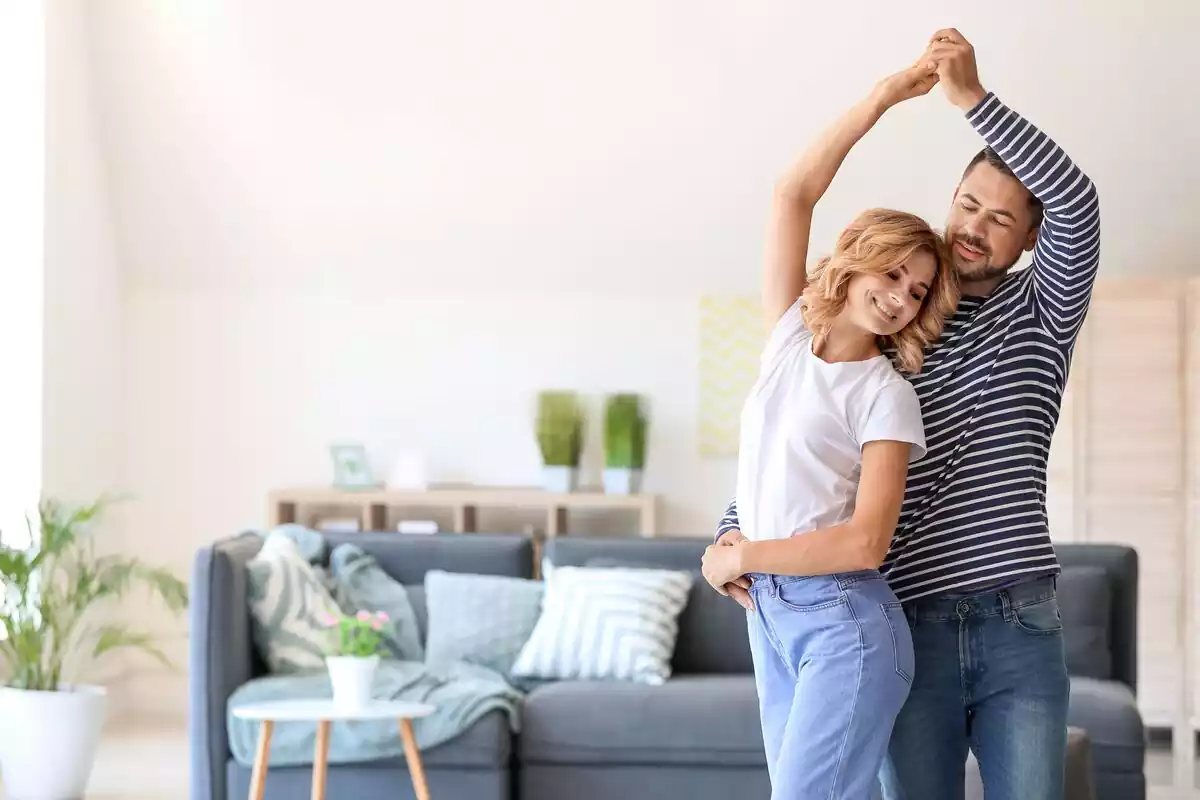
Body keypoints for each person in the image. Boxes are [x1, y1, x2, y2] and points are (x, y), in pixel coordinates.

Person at [711, 29, 1101, 800]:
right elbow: (810, 443)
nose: (977, 226)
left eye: (1002, 219)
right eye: (968, 204)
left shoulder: (1043, 311)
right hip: (907, 616)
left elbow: (1080, 201)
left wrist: (970, 101)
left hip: (1017, 620)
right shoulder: (892, 334)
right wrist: (736, 527)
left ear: (1029, 239)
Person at [698, 51, 959, 798]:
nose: (901, 297)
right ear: (856, 263)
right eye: (893, 274)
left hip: (845, 625)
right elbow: (792, 194)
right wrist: (883, 96)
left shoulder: (885, 396)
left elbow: (865, 541)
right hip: (771, 619)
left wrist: (741, 552)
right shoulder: (786, 340)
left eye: (916, 292)